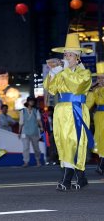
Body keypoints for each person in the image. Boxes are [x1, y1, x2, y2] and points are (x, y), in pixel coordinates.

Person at [43, 33, 93, 191]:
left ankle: (66, 179)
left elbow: (77, 86)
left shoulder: (84, 73)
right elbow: (51, 90)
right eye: (65, 54)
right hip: (61, 111)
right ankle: (81, 176)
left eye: (70, 55)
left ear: (78, 57)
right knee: (63, 142)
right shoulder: (62, 72)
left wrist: (63, 71)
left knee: (74, 141)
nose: (66, 57)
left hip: (76, 109)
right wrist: (52, 73)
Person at [86, 61, 104, 175]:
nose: (100, 80)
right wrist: (92, 87)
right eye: (99, 77)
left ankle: (101, 166)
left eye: (102, 77)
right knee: (100, 141)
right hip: (99, 118)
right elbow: (88, 104)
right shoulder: (95, 90)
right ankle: (101, 166)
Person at [18, 96, 44, 167]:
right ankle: (26, 161)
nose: (32, 102)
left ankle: (38, 161)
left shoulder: (36, 110)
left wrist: (41, 127)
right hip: (25, 132)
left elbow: (39, 120)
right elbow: (21, 122)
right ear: (27, 102)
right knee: (25, 147)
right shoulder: (22, 111)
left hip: (34, 131)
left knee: (36, 148)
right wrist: (19, 132)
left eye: (33, 101)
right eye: (30, 101)